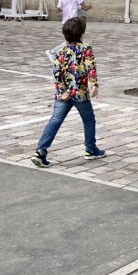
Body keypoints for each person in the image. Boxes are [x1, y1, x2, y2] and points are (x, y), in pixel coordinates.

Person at [31, 17, 105, 167]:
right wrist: (94, 85)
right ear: (82, 34)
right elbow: (91, 68)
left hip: (63, 95)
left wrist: (61, 91)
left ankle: (41, 151)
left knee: (55, 119)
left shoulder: (60, 52)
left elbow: (56, 72)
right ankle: (90, 149)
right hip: (80, 94)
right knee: (89, 119)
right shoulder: (86, 49)